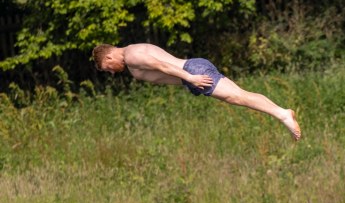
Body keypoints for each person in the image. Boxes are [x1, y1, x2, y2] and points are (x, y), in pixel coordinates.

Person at [92, 43, 301, 141]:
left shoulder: (131, 56)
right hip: (190, 75)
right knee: (240, 94)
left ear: (109, 57)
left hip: (193, 72)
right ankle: (282, 113)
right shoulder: (132, 59)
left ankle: (283, 114)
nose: (111, 72)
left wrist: (190, 78)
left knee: (238, 97)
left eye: (107, 67)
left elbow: (163, 66)